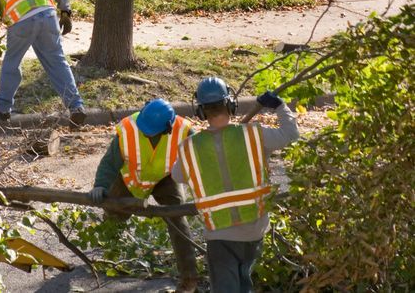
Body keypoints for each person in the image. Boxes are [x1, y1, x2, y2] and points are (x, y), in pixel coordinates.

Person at [171, 77, 299, 293]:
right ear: (231, 105)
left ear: (201, 111)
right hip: (254, 228)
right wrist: (279, 106)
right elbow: (291, 134)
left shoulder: (189, 148)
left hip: (219, 233)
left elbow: (177, 176)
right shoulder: (254, 135)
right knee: (244, 285)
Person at [89, 99, 199, 292]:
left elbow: (201, 160)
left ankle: (189, 277)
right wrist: (100, 185)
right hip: (130, 177)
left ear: (167, 127)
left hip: (165, 177)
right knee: (115, 215)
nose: (145, 132)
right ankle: (108, 249)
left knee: (177, 218)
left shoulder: (184, 131)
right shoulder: (129, 128)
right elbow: (110, 162)